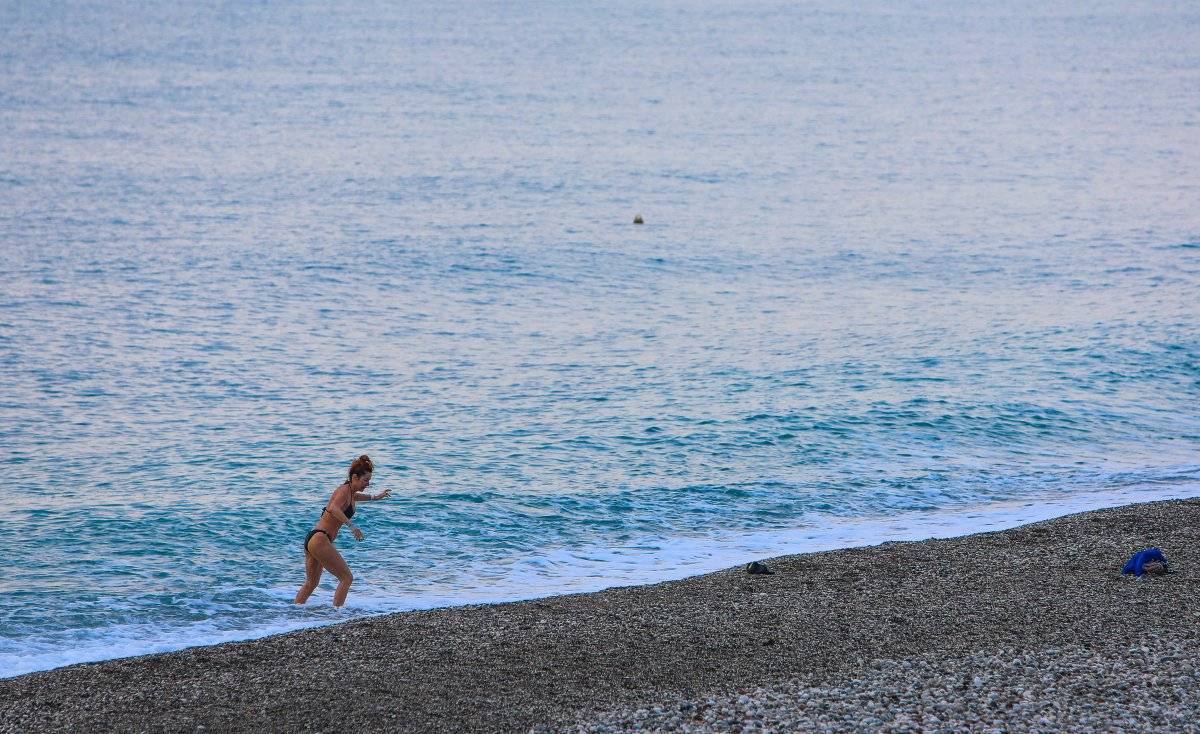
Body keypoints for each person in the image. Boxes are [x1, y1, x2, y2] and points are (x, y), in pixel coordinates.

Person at [295, 454, 391, 606]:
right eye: (365, 480)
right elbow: (333, 508)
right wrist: (352, 526)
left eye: (369, 481)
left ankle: (293, 613)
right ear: (354, 477)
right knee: (346, 578)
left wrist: (376, 497)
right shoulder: (344, 490)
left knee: (311, 584)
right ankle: (337, 614)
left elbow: (358, 497)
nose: (367, 484)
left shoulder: (350, 493)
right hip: (320, 538)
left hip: (314, 539)